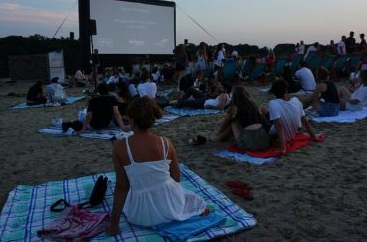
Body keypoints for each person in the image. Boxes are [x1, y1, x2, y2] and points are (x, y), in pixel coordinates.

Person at [107, 97, 207, 235]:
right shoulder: (166, 143)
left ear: (133, 120)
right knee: (190, 197)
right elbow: (176, 178)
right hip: (172, 207)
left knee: (131, 191)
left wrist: (114, 224)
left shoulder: (120, 146)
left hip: (142, 214)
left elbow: (122, 187)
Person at [266, 79, 319, 153]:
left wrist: (283, 148)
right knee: (266, 113)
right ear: (286, 90)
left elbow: (279, 125)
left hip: (277, 138)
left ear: (274, 92)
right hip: (292, 134)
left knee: (263, 115)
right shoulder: (296, 101)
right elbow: (304, 121)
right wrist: (313, 136)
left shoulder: (272, 103)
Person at [212, 85, 270, 151]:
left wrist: (220, 132)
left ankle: (218, 138)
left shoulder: (234, 107)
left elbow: (224, 124)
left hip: (249, 145)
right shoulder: (253, 105)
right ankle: (220, 137)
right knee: (237, 121)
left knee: (233, 122)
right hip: (264, 142)